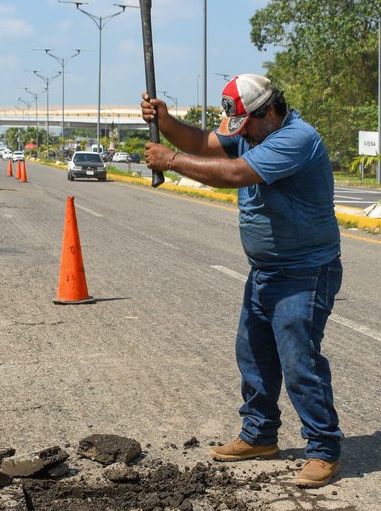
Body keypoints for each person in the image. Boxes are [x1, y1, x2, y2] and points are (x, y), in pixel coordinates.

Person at [141, 74, 344, 488]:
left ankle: (323, 448)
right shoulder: (252, 130)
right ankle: (259, 435)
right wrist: (166, 122)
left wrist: (171, 160)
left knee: (298, 360)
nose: (241, 133)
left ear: (270, 111)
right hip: (265, 271)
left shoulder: (296, 139)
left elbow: (232, 174)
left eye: (246, 124)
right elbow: (201, 143)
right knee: (253, 353)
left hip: (304, 272)